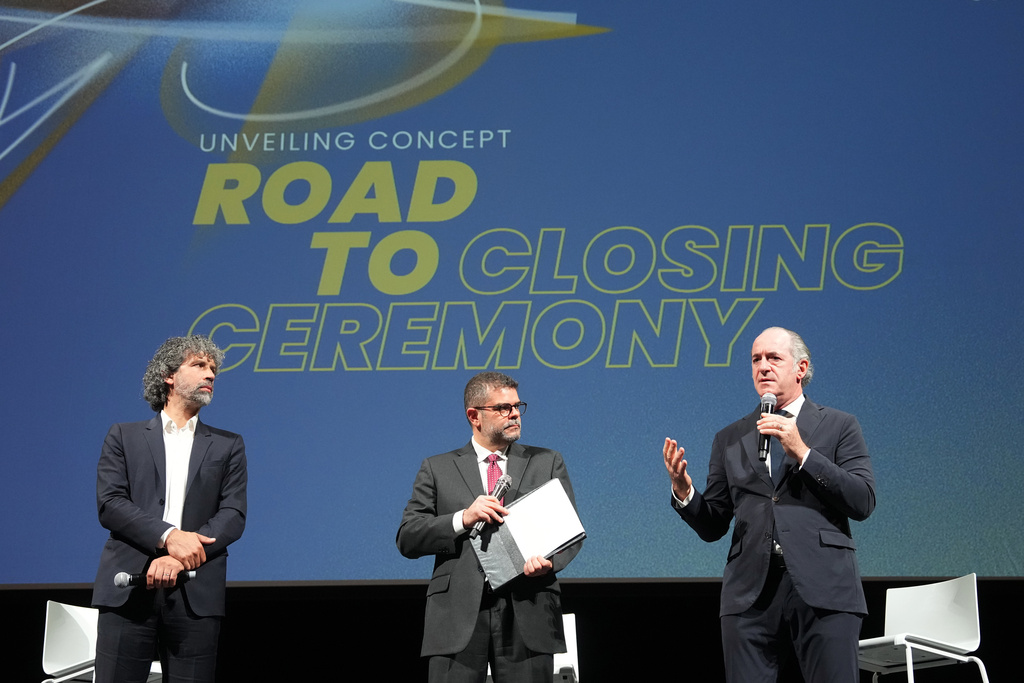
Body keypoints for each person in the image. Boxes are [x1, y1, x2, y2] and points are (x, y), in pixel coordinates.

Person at [663, 326, 875, 682]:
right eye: (755, 359)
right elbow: (714, 524)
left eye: (774, 358)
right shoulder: (730, 437)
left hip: (824, 586)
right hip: (749, 593)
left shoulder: (839, 426)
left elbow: (862, 500)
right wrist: (684, 491)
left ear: (801, 368)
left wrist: (804, 454)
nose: (763, 367)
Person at [397, 372, 582, 683]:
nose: (514, 414)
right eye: (502, 408)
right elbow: (408, 536)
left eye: (517, 406)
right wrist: (463, 518)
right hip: (458, 614)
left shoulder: (547, 461)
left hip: (529, 606)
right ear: (474, 416)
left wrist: (549, 563)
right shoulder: (438, 467)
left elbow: (569, 533)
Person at [91, 335, 247, 683]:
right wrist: (168, 537)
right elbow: (111, 504)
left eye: (214, 369)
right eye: (200, 365)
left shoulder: (228, 445)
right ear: (169, 376)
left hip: (196, 594)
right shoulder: (124, 436)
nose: (211, 374)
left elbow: (233, 514)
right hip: (129, 590)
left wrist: (179, 555)